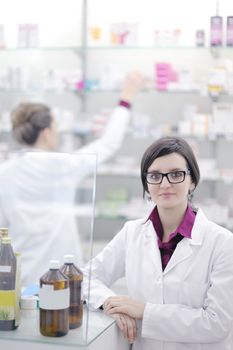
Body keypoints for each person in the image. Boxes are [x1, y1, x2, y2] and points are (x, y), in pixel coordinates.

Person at [84, 136, 233, 349]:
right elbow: (86, 278)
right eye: (155, 175)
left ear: (192, 180)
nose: (165, 184)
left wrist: (144, 311)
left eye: (175, 174)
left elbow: (217, 323)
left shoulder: (222, 243)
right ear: (146, 182)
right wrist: (113, 305)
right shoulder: (132, 232)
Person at [0, 71, 145, 286]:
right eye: (56, 127)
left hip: (20, 275)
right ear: (47, 132)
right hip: (60, 275)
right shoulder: (62, 165)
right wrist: (126, 98)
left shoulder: (5, 172)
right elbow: (108, 144)